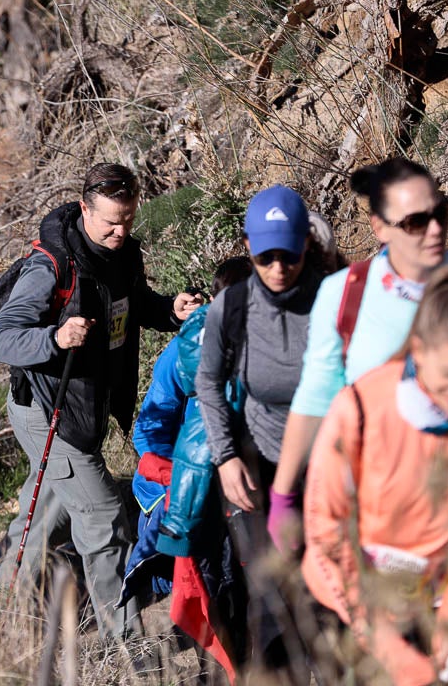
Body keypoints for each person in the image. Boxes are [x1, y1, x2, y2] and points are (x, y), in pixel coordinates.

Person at [0, 162, 203, 639]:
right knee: (103, 518)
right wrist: (55, 338)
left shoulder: (122, 255)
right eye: (110, 222)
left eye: (128, 219)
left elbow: (132, 305)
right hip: (49, 412)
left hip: (84, 411)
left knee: (46, 513)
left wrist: (170, 309)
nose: (120, 231)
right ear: (85, 209)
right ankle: (124, 643)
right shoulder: (51, 267)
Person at [269, 158, 448, 553]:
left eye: (440, 213)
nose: (435, 230)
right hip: (374, 507)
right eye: (415, 222)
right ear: (379, 227)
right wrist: (284, 494)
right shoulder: (345, 293)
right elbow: (316, 398)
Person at [303, 264, 448, 686]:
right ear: (419, 348)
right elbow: (326, 531)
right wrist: (383, 640)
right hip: (360, 606)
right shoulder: (360, 408)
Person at [193, 184, 338, 674]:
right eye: (265, 256)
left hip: (328, 467)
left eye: (289, 255)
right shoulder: (231, 307)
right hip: (259, 466)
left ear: (306, 245)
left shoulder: (333, 301)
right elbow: (208, 382)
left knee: (330, 595)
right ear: (248, 246)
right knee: (274, 599)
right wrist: (225, 457)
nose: (279, 268)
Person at [122, 256, 250, 609]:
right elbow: (149, 430)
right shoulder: (184, 350)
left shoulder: (273, 345)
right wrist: (180, 481)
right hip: (183, 480)